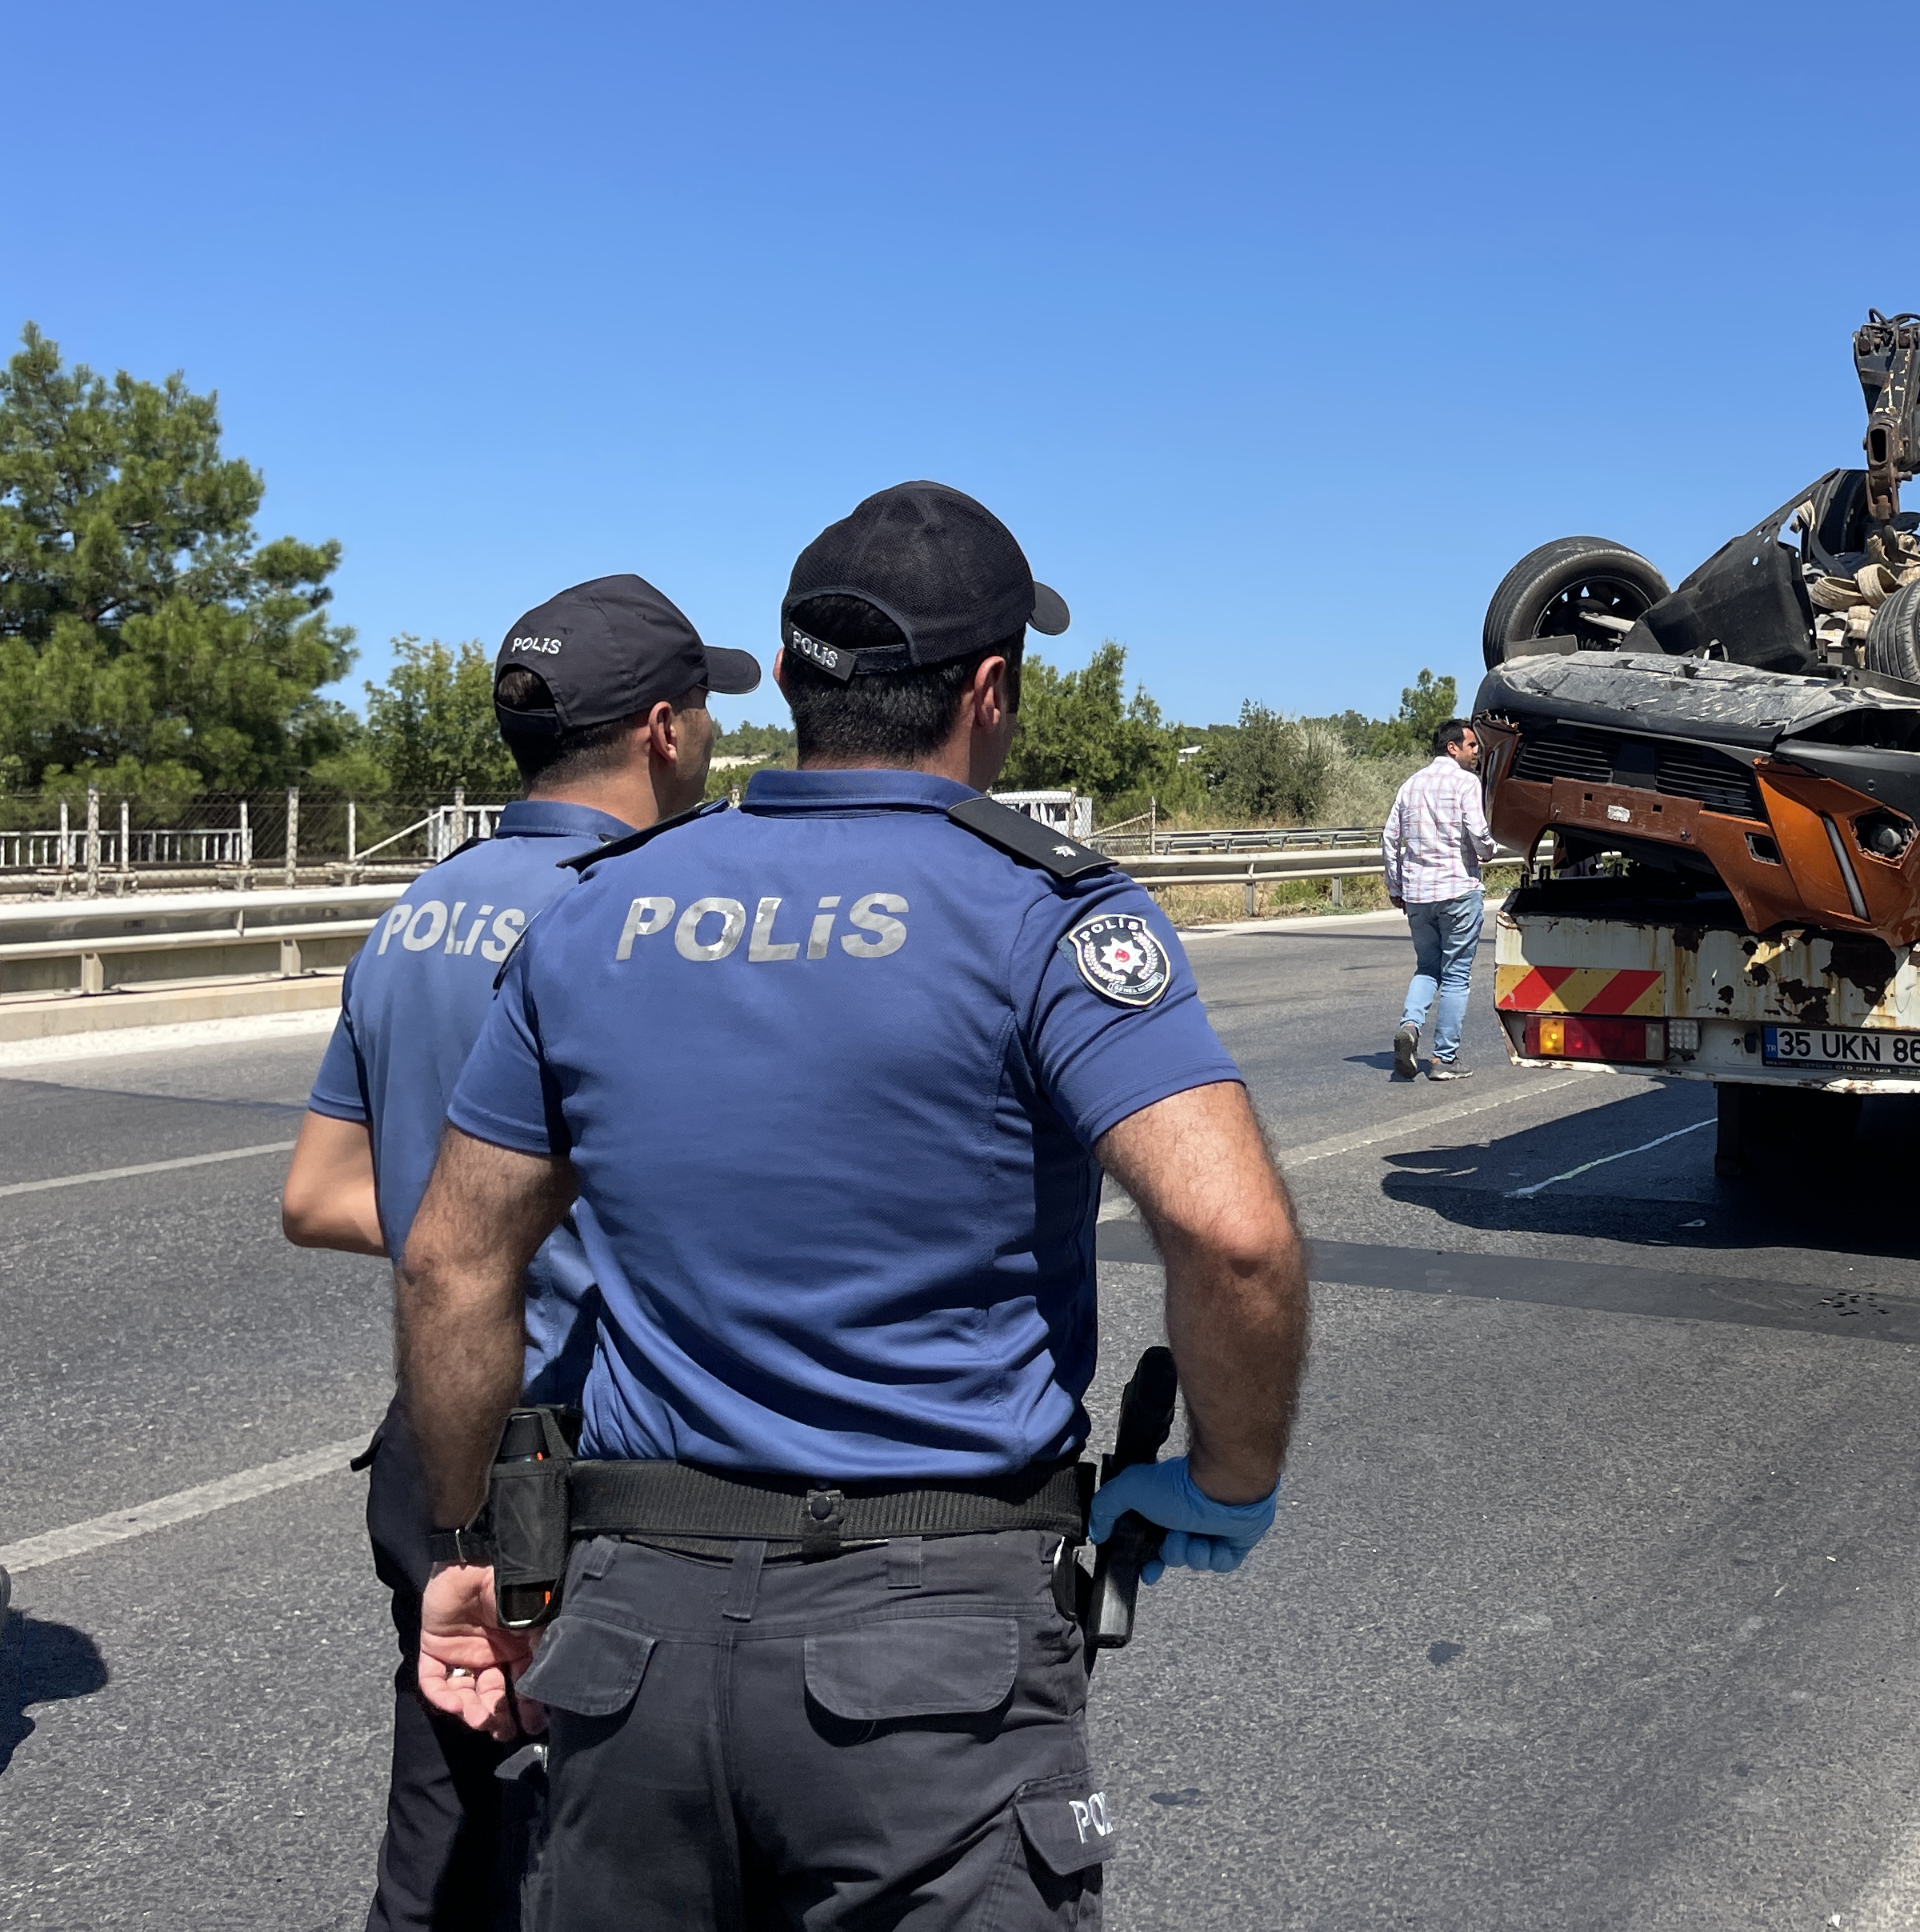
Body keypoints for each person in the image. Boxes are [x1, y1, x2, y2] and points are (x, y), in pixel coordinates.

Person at [398, 482, 1312, 1930]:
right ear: (990, 688)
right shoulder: (1043, 912)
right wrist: (1228, 1482)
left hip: (630, 1638)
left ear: (804, 674)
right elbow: (1233, 1231)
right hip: (932, 1661)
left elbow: (453, 1261)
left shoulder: (603, 906)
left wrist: (468, 1555)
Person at [279, 575, 752, 1932]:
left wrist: (460, 1230)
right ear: (665, 728)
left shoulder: (416, 911)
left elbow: (317, 1192)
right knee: (609, 1861)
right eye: (707, 709)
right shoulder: (662, 917)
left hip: (437, 1444)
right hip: (600, 1467)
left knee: (439, 1845)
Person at [1383, 718, 1495, 1082]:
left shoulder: (1410, 785)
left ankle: (1411, 1025)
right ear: (1453, 748)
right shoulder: (1466, 783)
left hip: (1418, 895)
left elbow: (1389, 839)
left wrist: (1396, 886)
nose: (1477, 752)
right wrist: (1489, 851)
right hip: (1458, 891)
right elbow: (1479, 834)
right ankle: (1444, 1058)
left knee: (1426, 967)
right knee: (1457, 975)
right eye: (1472, 746)